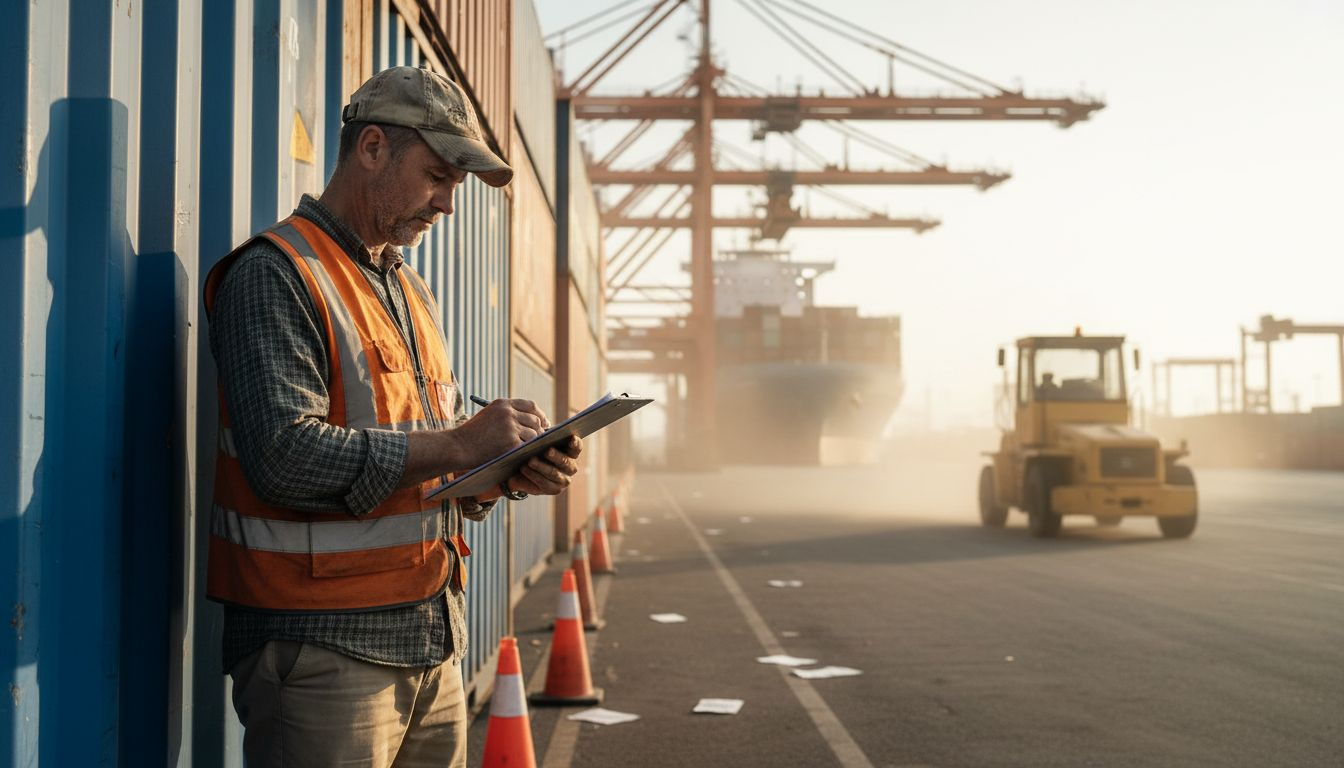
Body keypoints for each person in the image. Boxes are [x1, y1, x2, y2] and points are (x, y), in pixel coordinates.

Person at [204, 66, 580, 768]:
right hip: (325, 658)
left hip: (430, 642)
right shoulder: (276, 274)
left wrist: (504, 471)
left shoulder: (409, 290)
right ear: (372, 148)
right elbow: (284, 458)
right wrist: (464, 440)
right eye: (437, 176)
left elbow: (428, 466)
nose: (446, 205)